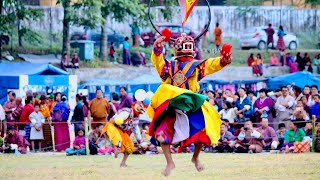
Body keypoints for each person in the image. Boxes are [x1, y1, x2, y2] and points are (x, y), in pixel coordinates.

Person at [148, 30, 232, 176]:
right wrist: (158, 49)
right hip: (172, 107)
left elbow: (212, 64)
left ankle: (195, 158)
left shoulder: (197, 66)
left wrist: (223, 60)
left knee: (202, 133)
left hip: (191, 105)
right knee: (161, 136)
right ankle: (170, 162)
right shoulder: (169, 66)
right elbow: (158, 61)